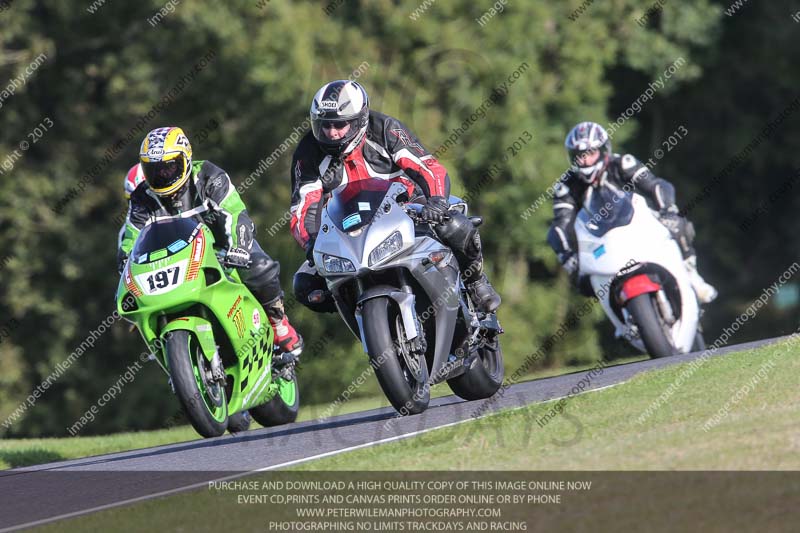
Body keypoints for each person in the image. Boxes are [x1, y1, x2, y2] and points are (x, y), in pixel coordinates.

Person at [289, 80, 501, 314]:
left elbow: (429, 168)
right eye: (325, 125)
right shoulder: (307, 153)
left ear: (359, 120)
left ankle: (476, 282)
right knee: (305, 286)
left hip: (407, 208)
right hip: (349, 230)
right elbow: (303, 206)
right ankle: (366, 319)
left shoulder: (384, 128)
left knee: (455, 226)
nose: (331, 133)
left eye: (340, 125)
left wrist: (437, 201)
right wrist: (311, 242)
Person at [118, 126, 303, 363]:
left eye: (170, 166)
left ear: (186, 158)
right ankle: (165, 347)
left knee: (260, 266)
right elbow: (130, 241)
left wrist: (239, 247)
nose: (163, 175)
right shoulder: (142, 198)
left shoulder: (209, 176)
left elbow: (235, 213)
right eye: (154, 170)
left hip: (222, 249)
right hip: (174, 262)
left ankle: (278, 323)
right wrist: (126, 268)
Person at [547, 121, 717, 303]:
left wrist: (668, 210)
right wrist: (568, 257)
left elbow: (655, 185)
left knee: (678, 224)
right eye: (580, 156)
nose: (586, 161)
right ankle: (621, 325)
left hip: (637, 224)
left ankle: (692, 274)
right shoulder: (566, 187)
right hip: (599, 244)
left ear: (604, 150)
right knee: (583, 282)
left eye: (591, 153)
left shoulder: (622, 164)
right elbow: (561, 225)